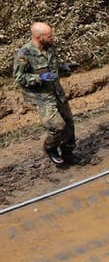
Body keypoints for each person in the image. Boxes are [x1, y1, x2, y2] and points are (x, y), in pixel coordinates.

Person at [13, 21, 77, 167]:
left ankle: (68, 153)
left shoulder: (49, 48)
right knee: (57, 126)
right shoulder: (24, 55)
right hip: (42, 97)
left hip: (57, 93)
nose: (52, 38)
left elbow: (54, 66)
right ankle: (50, 148)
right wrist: (39, 78)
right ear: (38, 37)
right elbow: (19, 78)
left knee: (69, 124)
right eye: (49, 36)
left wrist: (65, 68)